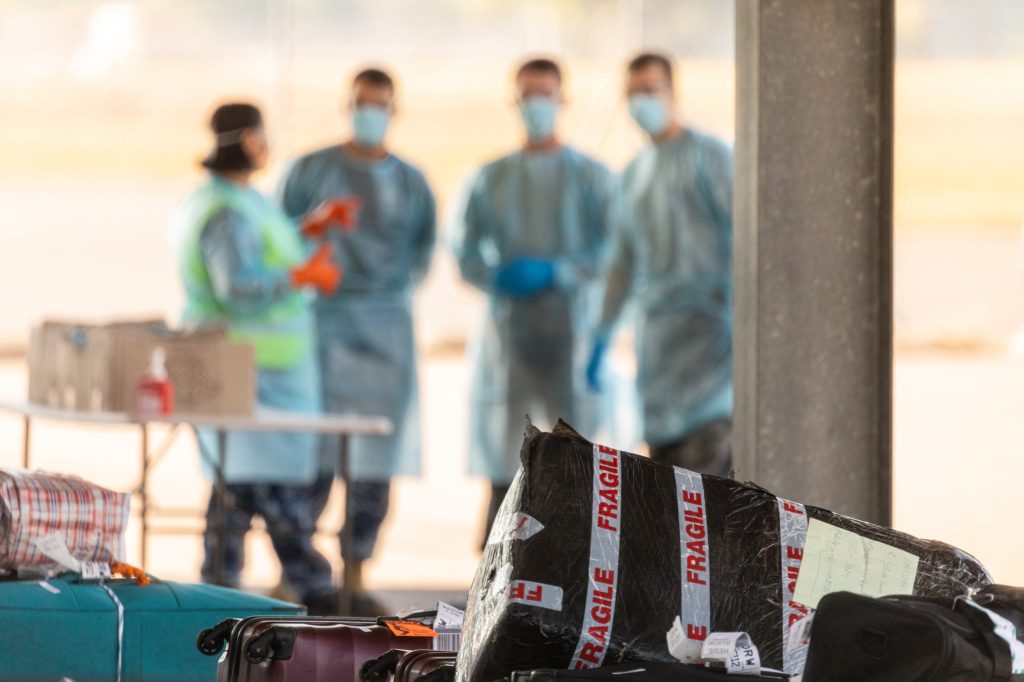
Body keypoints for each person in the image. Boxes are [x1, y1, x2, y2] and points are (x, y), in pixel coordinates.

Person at [169, 102, 343, 614]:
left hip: (263, 367)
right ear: (248, 139)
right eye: (262, 135)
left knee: (240, 485)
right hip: (250, 366)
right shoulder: (226, 211)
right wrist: (303, 277)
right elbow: (238, 284)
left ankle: (222, 582)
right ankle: (311, 586)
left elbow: (266, 250)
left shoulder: (238, 201)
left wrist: (310, 229)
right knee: (258, 484)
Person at [278, 68, 436, 612]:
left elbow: (421, 254)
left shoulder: (412, 183)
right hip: (321, 325)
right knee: (310, 457)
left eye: (380, 105)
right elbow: (280, 241)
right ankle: (295, 572)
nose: (371, 114)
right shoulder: (311, 171)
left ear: (395, 110)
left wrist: (380, 290)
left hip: (385, 331)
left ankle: (354, 570)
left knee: (373, 461)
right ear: (347, 104)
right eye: (362, 103)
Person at [451, 58, 614, 541]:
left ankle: (574, 549)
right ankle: (498, 553)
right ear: (515, 102)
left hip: (573, 327)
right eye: (528, 96)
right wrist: (496, 276)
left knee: (576, 448)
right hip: (510, 331)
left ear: (563, 101)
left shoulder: (592, 177)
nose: (537, 105)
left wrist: (560, 271)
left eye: (546, 94)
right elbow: (462, 250)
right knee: (505, 442)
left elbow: (616, 250)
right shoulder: (490, 178)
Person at [587, 52, 734, 476]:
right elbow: (621, 266)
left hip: (712, 342)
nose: (642, 102)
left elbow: (748, 240)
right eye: (633, 94)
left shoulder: (710, 159)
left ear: (673, 93)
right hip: (659, 351)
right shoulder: (632, 176)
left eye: (651, 91)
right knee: (667, 489)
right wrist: (602, 334)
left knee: (712, 490)